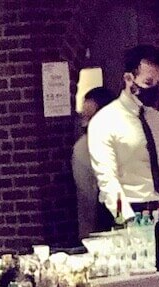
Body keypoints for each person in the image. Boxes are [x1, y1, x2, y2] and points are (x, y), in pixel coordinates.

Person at [88, 44, 159, 226]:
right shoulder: (104, 121)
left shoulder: (158, 121)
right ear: (129, 78)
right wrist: (126, 219)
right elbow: (107, 180)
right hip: (121, 209)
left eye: (158, 83)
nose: (154, 89)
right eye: (148, 83)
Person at [72, 86, 114, 239]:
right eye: (84, 118)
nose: (85, 124)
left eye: (90, 118)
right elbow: (88, 198)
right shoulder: (83, 148)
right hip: (101, 224)